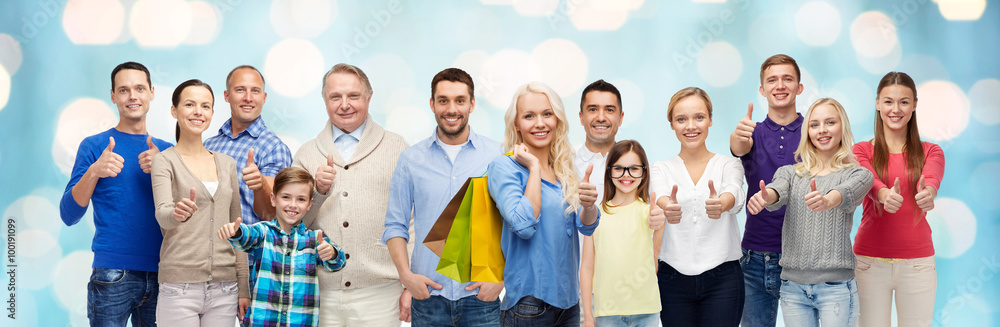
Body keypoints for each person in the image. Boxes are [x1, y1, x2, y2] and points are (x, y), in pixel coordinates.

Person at [382, 68, 504, 326]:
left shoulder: (497, 155)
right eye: (443, 100)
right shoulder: (411, 160)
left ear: (472, 104)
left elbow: (516, 224)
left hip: (481, 300)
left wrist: (502, 280)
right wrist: (406, 277)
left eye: (460, 100)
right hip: (428, 299)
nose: (452, 109)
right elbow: (395, 225)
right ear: (432, 104)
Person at [291, 63, 409, 326]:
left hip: (381, 290)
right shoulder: (306, 153)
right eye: (335, 97)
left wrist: (410, 283)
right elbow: (292, 226)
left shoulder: (397, 147)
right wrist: (318, 193)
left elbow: (413, 218)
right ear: (325, 101)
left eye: (353, 96)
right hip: (322, 293)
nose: (345, 104)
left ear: (369, 97)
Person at [59, 61, 172, 327]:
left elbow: (185, 215)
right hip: (112, 274)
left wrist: (163, 168)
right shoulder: (94, 146)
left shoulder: (168, 151)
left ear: (151, 93)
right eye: (124, 90)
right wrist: (95, 171)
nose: (133, 96)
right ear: (113, 96)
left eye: (139, 88)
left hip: (164, 274)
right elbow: (68, 214)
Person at [746, 98, 874, 327]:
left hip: (836, 287)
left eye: (830, 122)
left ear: (842, 127)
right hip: (793, 287)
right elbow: (778, 190)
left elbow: (846, 192)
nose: (822, 130)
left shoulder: (858, 173)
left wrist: (828, 200)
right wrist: (767, 197)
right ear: (807, 132)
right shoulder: (790, 173)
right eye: (814, 125)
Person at [487, 81, 600, 326]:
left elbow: (587, 227)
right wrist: (534, 167)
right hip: (529, 306)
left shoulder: (564, 169)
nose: (540, 123)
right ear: (517, 124)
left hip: (569, 304)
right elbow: (524, 226)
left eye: (547, 114)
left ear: (557, 119)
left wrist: (589, 205)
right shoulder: (504, 167)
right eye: (529, 116)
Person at [150, 79, 250, 325]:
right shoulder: (164, 161)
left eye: (205, 106)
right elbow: (162, 214)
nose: (198, 112)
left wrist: (244, 287)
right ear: (174, 110)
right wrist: (177, 213)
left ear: (213, 113)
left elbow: (238, 230)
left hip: (225, 290)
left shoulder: (227, 163)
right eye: (189, 104)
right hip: (179, 288)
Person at [852, 72, 944, 327]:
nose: (896, 109)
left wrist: (929, 194)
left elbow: (932, 177)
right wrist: (883, 194)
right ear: (877, 104)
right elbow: (866, 178)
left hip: (918, 266)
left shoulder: (931, 151)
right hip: (869, 264)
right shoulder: (861, 150)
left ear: (914, 105)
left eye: (904, 102)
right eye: (888, 101)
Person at [203, 65, 292, 324]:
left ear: (264, 98)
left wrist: (260, 185)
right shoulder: (209, 146)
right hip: (210, 262)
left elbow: (273, 214)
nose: (248, 97)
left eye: (255, 91)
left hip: (255, 266)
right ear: (227, 95)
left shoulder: (273, 148)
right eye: (240, 90)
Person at [651, 87, 746, 326]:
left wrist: (722, 204)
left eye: (699, 117)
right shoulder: (660, 168)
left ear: (710, 120)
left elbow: (734, 192)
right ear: (671, 124)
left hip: (723, 277)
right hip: (672, 278)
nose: (690, 126)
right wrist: (666, 206)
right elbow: (660, 195)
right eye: (681, 119)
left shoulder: (729, 164)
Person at [218, 167, 348, 326]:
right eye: (286, 197)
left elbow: (338, 262)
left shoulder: (315, 239)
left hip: (300, 322)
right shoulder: (263, 232)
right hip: (262, 321)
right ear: (273, 199)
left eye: (301, 199)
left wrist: (332, 253)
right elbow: (246, 236)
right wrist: (236, 231)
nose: (293, 205)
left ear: (309, 204)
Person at [730, 54, 805, 327]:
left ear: (799, 87)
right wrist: (738, 136)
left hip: (804, 257)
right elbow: (738, 147)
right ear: (762, 90)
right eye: (772, 80)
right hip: (755, 259)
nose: (780, 85)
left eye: (788, 78)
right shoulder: (752, 132)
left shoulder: (814, 132)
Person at [580, 140, 663, 327]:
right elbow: (586, 267)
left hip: (647, 311)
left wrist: (659, 221)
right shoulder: (595, 214)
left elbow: (655, 260)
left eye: (634, 168)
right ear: (609, 172)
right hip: (606, 313)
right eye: (619, 168)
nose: (627, 175)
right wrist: (587, 317)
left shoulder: (649, 212)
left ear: (644, 172)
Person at [575, 79, 625, 203]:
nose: (601, 118)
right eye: (593, 109)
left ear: (620, 118)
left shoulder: (638, 166)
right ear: (581, 117)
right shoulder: (564, 165)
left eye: (609, 110)